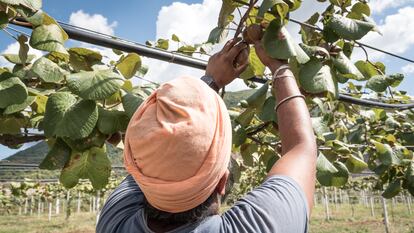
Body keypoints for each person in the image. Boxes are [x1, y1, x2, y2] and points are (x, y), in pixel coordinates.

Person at [96, 37, 317, 233]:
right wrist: (278, 64)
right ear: (222, 182)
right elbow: (301, 147)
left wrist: (211, 81)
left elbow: (162, 146)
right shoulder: (256, 226)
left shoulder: (114, 221)